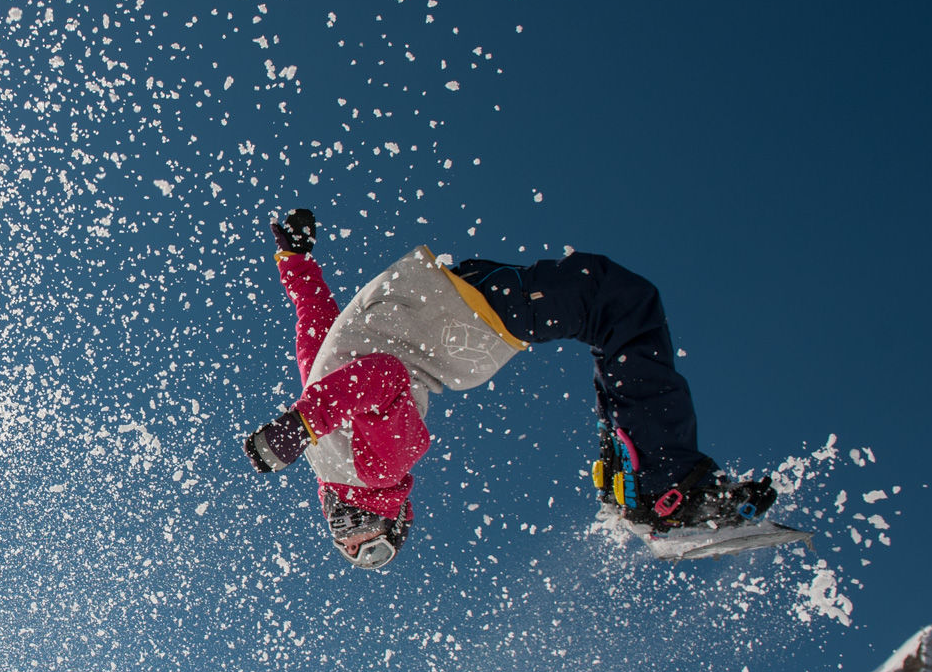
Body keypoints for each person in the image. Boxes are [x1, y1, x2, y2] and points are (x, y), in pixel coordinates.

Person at [243, 209, 775, 569]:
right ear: (398, 519)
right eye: (372, 553)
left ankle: (645, 480)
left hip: (455, 308)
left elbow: (324, 335)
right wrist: (301, 425)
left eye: (349, 547)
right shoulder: (372, 465)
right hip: (462, 316)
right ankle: (660, 486)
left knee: (613, 312)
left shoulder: (337, 453)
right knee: (617, 306)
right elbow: (379, 376)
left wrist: (296, 262)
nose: (351, 541)